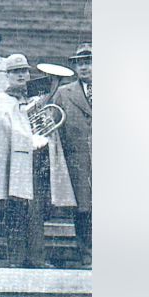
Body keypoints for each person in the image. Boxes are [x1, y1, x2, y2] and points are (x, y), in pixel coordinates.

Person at [0, 55, 74, 268]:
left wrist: (43, 135)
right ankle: (15, 259)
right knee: (15, 210)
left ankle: (37, 258)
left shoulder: (36, 100)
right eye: (15, 72)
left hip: (35, 161)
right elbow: (3, 130)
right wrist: (28, 137)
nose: (20, 75)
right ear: (7, 75)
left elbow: (47, 126)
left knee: (36, 212)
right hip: (12, 162)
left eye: (24, 71)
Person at [52, 44, 92, 267]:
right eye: (80, 62)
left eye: (89, 61)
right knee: (84, 208)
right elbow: (54, 122)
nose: (84, 66)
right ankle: (87, 254)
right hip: (78, 160)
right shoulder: (63, 92)